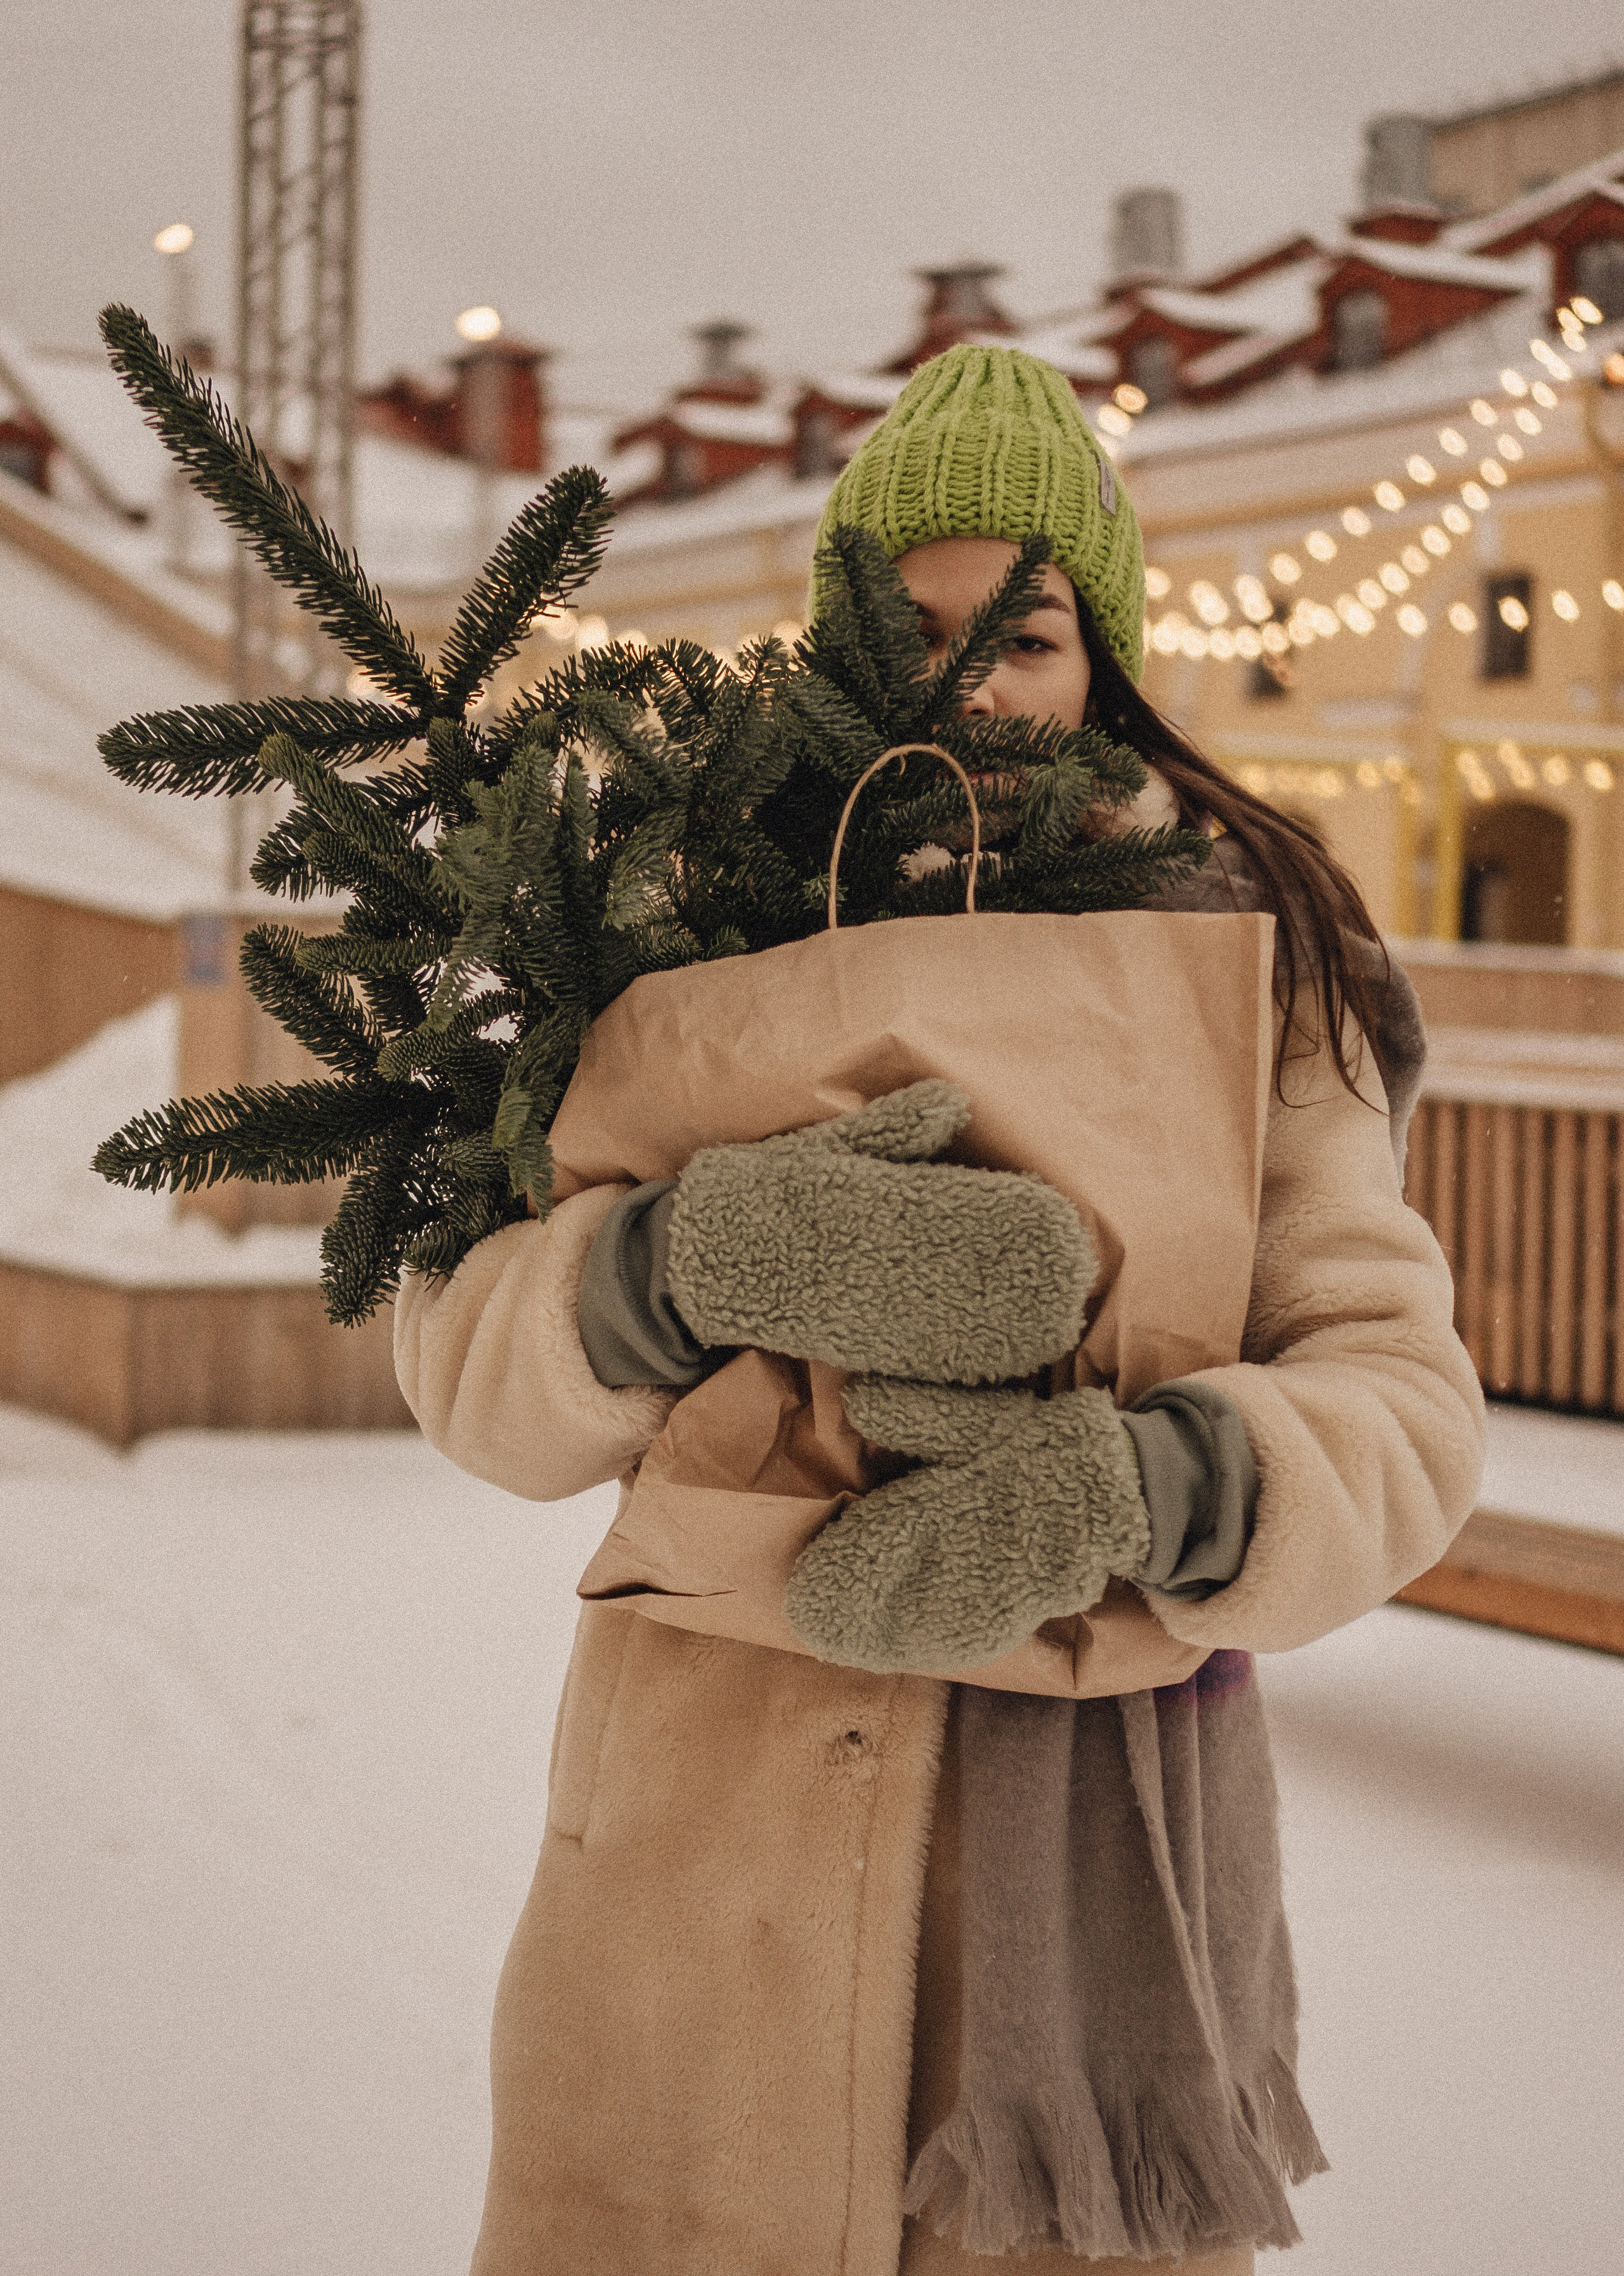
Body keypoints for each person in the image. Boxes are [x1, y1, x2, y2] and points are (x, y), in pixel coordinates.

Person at [395, 344, 1484, 2276]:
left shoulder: (1250, 955)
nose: (972, 681)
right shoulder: (681, 917)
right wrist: (672, 1268)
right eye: (913, 631)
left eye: (1027, 633)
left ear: (1103, 659)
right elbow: (464, 1364)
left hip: (1086, 1872)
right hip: (700, 1870)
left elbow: (1400, 1403)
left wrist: (1147, 1488)